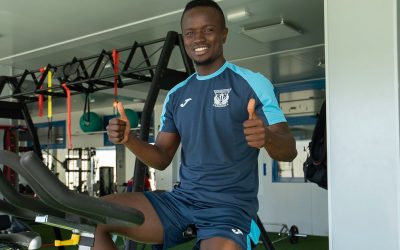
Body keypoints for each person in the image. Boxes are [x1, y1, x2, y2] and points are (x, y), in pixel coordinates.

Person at [95, 0, 297, 249]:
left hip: (229, 208)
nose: (198, 39)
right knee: (97, 217)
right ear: (184, 38)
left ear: (224, 34)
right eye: (190, 33)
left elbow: (289, 151)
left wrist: (267, 137)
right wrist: (129, 140)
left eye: (208, 30)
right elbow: (161, 158)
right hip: (182, 202)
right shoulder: (177, 94)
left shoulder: (252, 83)